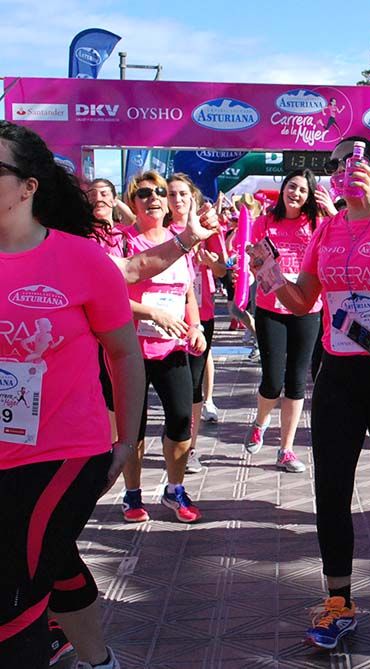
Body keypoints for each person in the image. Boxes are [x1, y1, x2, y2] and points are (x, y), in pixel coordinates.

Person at [261, 136, 370, 649]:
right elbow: (303, 301)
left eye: (356, 161)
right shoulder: (327, 229)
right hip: (339, 371)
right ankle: (338, 601)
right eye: (337, 163)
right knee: (331, 487)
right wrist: (271, 276)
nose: (345, 169)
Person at [0, 121, 144, 669]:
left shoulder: (83, 260)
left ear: (28, 186)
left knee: (15, 584)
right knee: (55, 559)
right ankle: (100, 660)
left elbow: (124, 355)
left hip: (62, 453)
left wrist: (125, 441)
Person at [120, 170, 207, 524]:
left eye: (159, 192)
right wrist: (152, 313)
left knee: (182, 420)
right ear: (133, 202)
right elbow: (110, 297)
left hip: (172, 348)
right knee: (133, 428)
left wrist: (196, 326)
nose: (154, 198)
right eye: (144, 194)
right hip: (132, 350)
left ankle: (175, 490)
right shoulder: (123, 242)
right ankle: (132, 494)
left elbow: (188, 292)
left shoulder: (179, 240)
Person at [243, 170, 325, 474]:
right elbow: (255, 262)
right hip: (271, 308)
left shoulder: (317, 224)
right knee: (272, 381)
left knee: (296, 381)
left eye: (303, 190)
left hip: (307, 309)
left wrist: (330, 211)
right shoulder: (265, 222)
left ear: (310, 196)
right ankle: (260, 422)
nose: (296, 194)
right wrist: (257, 265)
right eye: (292, 187)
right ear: (283, 189)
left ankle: (285, 450)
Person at [164, 174, 227, 475]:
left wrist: (210, 261)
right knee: (170, 383)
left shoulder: (207, 228)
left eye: (183, 194)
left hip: (201, 314)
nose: (177, 200)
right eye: (172, 194)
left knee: (193, 383)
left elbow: (223, 269)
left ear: (193, 198)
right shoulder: (161, 230)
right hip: (168, 316)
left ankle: (190, 447)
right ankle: (173, 437)